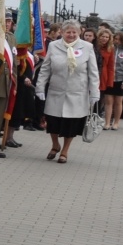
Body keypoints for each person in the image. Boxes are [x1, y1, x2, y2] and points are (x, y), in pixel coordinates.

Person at [35, 19, 100, 164]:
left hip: (77, 92)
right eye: (68, 32)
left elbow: (93, 72)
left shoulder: (87, 47)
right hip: (56, 91)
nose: (71, 35)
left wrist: (94, 93)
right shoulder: (53, 46)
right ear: (62, 32)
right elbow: (45, 68)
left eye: (74, 32)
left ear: (79, 32)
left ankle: (64, 150)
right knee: (53, 121)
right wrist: (40, 87)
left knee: (71, 124)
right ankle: (55, 145)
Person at [94, 28, 119, 131]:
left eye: (106, 37)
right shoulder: (94, 46)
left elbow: (111, 66)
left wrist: (109, 82)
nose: (104, 38)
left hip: (103, 76)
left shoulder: (110, 49)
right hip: (93, 72)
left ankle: (95, 120)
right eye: (102, 36)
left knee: (100, 100)